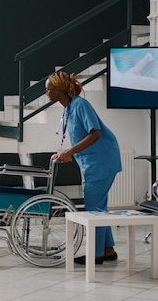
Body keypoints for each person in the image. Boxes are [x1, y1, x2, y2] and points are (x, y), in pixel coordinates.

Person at [46, 72, 122, 265]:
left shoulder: (80, 105)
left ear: (58, 90)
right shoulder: (70, 107)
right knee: (99, 207)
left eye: (48, 89)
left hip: (101, 161)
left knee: (93, 208)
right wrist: (66, 152)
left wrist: (69, 152)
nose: (46, 92)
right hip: (94, 162)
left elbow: (95, 133)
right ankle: (107, 249)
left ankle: (95, 254)